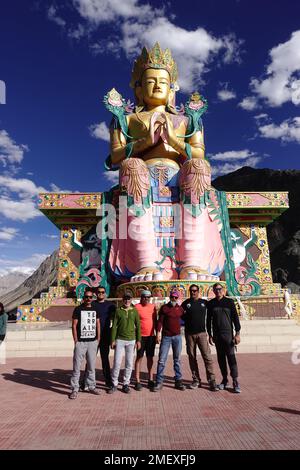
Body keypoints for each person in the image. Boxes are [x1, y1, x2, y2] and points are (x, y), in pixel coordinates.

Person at [105, 43, 226, 282]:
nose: (158, 84)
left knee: (200, 167)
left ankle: (192, 263)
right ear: (138, 90)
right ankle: (145, 263)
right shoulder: (127, 119)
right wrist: (142, 144)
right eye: (150, 81)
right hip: (140, 173)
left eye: (163, 81)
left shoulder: (186, 120)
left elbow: (199, 154)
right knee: (131, 166)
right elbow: (116, 157)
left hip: (179, 174)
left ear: (172, 90)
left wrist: (173, 140)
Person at [181, 285, 218, 391]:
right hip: (189, 334)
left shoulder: (204, 303)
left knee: (207, 357)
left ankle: (212, 380)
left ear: (198, 291)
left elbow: (212, 313)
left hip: (202, 333)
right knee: (192, 357)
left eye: (195, 291)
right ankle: (196, 379)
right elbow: (180, 315)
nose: (193, 292)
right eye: (191, 291)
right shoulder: (185, 303)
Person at [207, 283, 241, 393]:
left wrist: (237, 333)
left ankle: (235, 380)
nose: (218, 291)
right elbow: (208, 320)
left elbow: (235, 318)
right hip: (217, 335)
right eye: (216, 289)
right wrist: (210, 334)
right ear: (213, 291)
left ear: (223, 290)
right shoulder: (211, 304)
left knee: (231, 357)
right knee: (221, 358)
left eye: (219, 289)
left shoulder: (229, 302)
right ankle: (224, 379)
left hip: (228, 334)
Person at [69, 289, 101, 399]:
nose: (88, 299)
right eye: (86, 297)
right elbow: (74, 325)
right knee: (77, 366)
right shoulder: (78, 309)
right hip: (81, 342)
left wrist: (98, 338)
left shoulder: (95, 308)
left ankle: (91, 386)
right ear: (84, 298)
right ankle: (74, 388)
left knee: (91, 366)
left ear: (92, 298)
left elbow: (98, 324)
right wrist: (76, 341)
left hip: (92, 342)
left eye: (90, 297)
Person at [108, 292, 141, 394]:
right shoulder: (118, 311)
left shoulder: (134, 311)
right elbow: (114, 326)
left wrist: (138, 340)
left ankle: (126, 383)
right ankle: (114, 383)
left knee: (129, 363)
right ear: (123, 300)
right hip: (120, 340)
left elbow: (138, 326)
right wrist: (112, 340)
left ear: (131, 300)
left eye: (129, 299)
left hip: (131, 340)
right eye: (125, 299)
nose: (127, 301)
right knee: (117, 363)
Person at [152, 289, 185, 391]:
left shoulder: (180, 309)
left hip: (177, 337)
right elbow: (160, 321)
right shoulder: (164, 308)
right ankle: (159, 381)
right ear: (169, 297)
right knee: (162, 360)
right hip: (166, 337)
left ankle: (178, 381)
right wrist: (158, 333)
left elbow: (184, 320)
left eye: (175, 297)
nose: (174, 299)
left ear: (177, 298)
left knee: (177, 359)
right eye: (172, 297)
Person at [134, 290, 157, 391]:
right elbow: (134, 323)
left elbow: (155, 321)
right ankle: (137, 380)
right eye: (144, 297)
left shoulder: (153, 307)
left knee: (150, 358)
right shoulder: (137, 307)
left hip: (151, 336)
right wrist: (135, 338)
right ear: (141, 297)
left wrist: (157, 334)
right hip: (140, 337)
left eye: (148, 297)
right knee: (139, 357)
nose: (146, 299)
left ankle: (150, 379)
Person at [92, 286, 115, 388]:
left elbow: (117, 319)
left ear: (105, 293)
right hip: (93, 336)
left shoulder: (110, 305)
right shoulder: (92, 304)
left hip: (105, 336)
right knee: (90, 359)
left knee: (105, 359)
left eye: (102, 292)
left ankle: (108, 381)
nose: (101, 293)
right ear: (96, 293)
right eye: (99, 292)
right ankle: (86, 380)